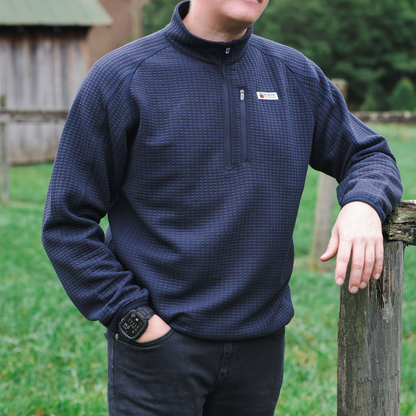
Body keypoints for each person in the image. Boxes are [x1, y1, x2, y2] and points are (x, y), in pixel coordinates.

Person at [41, 0, 403, 415]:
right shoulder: (121, 78)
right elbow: (67, 222)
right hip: (158, 349)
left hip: (260, 350)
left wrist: (363, 203)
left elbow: (369, 153)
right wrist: (132, 318)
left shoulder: (295, 74)